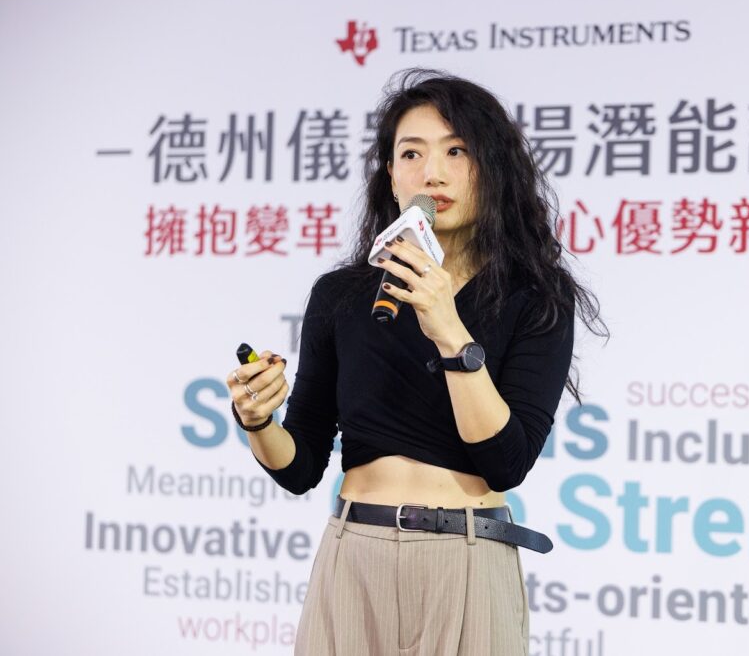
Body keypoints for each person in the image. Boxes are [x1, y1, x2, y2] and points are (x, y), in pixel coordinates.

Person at [226, 69, 606, 655]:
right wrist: (256, 420)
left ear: (493, 166)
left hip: (467, 556)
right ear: (391, 174)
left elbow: (506, 462)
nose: (433, 173)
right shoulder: (342, 295)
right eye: (412, 153)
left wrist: (449, 328)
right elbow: (300, 467)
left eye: (457, 151)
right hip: (354, 552)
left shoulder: (535, 297)